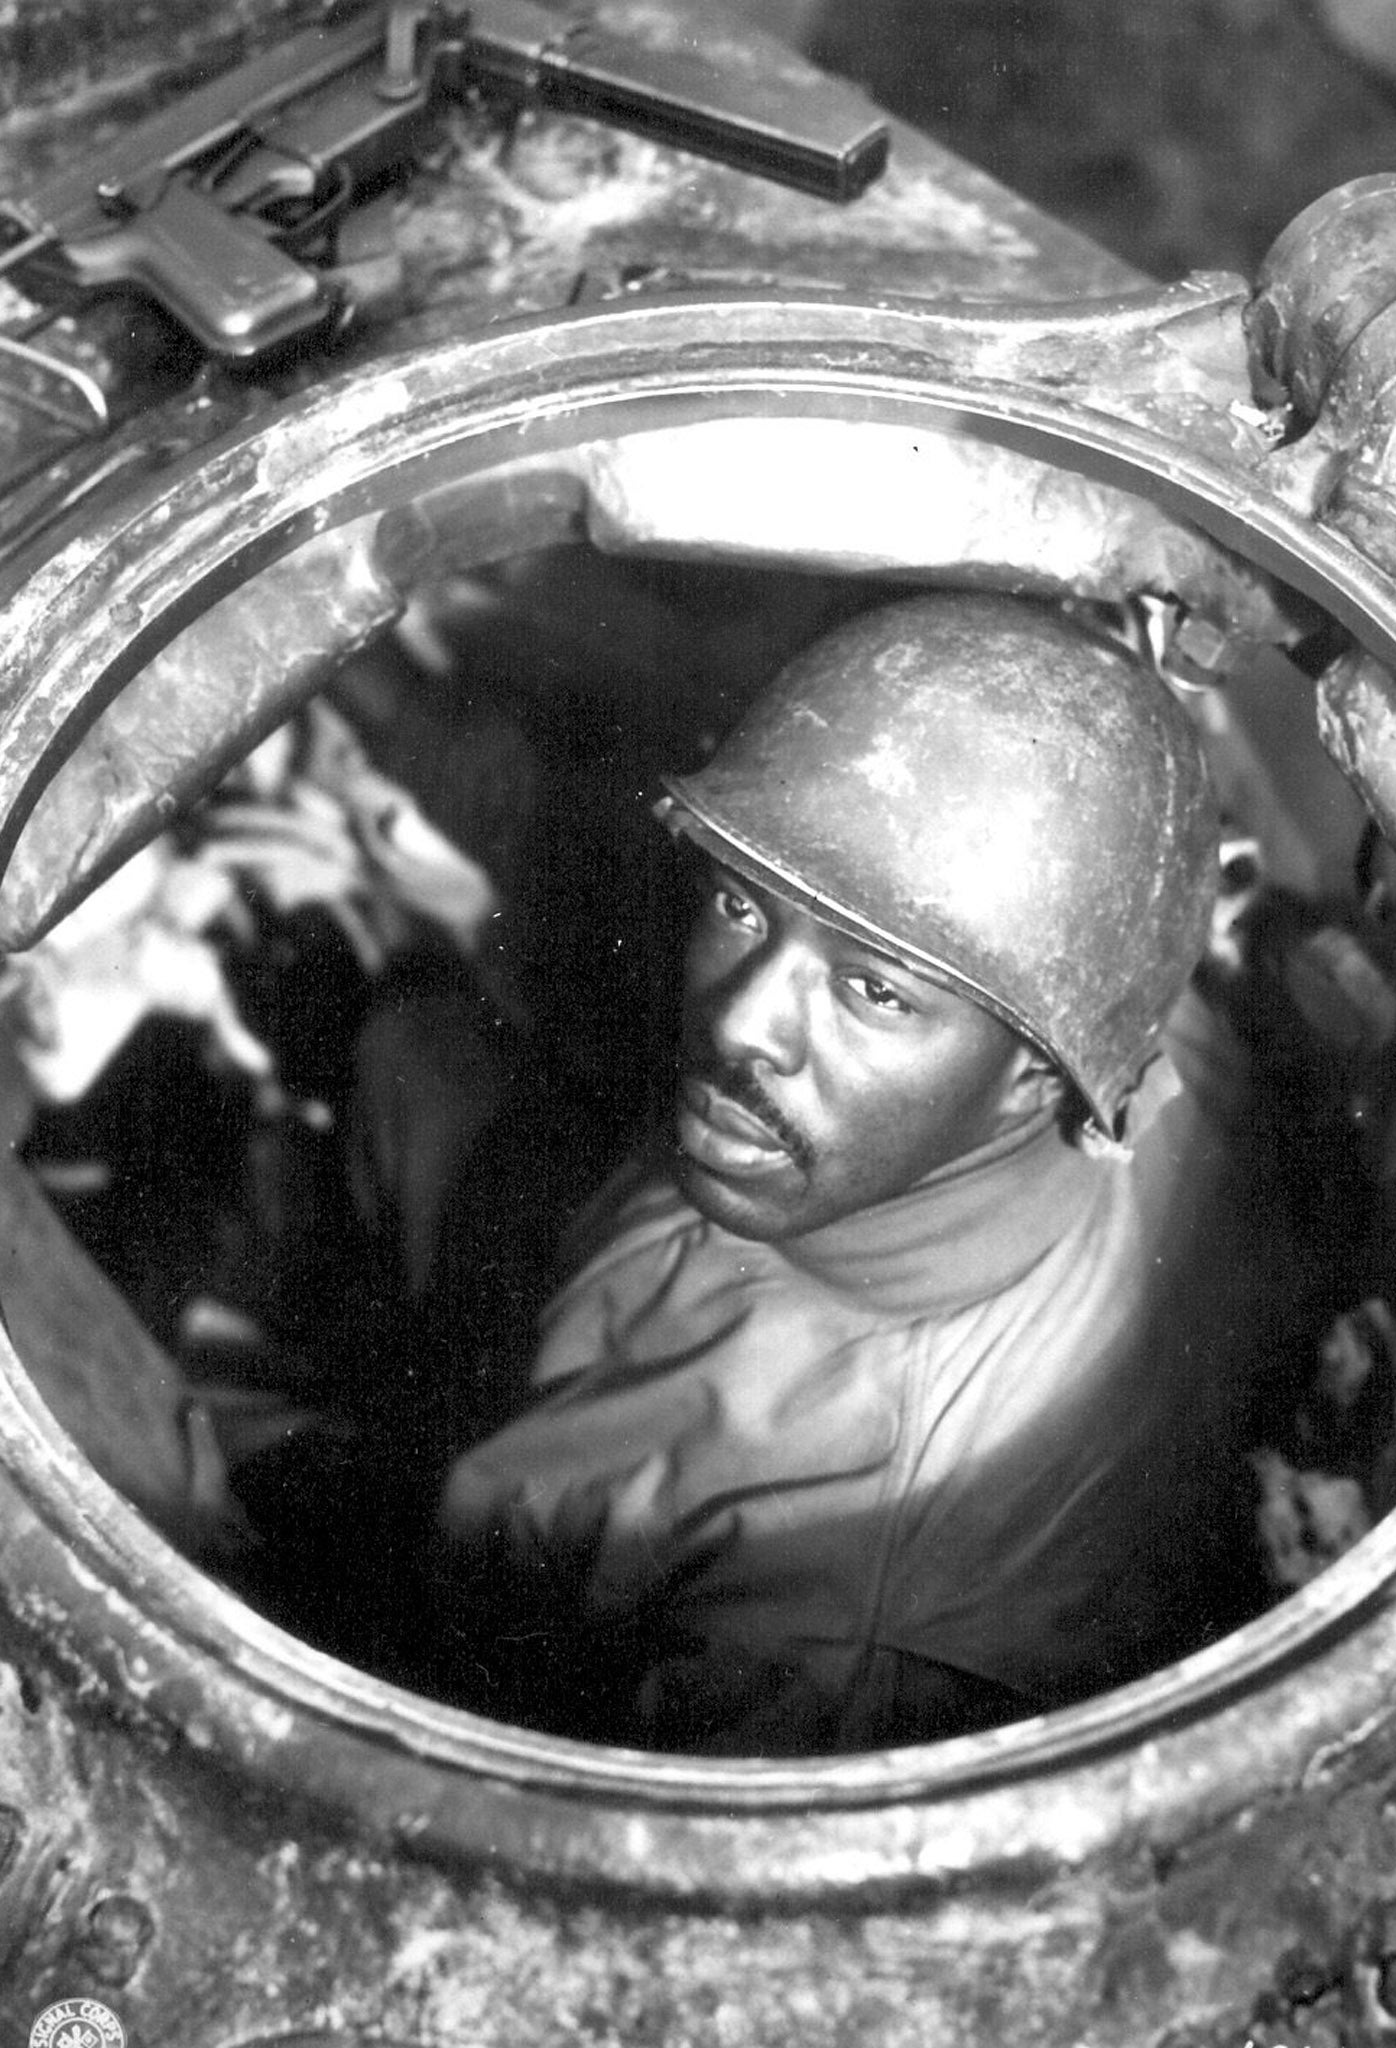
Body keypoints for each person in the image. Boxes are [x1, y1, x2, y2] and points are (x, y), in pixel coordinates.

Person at [431, 591, 1255, 1756]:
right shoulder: (1109, 1006)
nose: (740, 1021)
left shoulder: (831, 1633)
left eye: (876, 990)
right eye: (738, 901)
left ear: (1037, 1075)